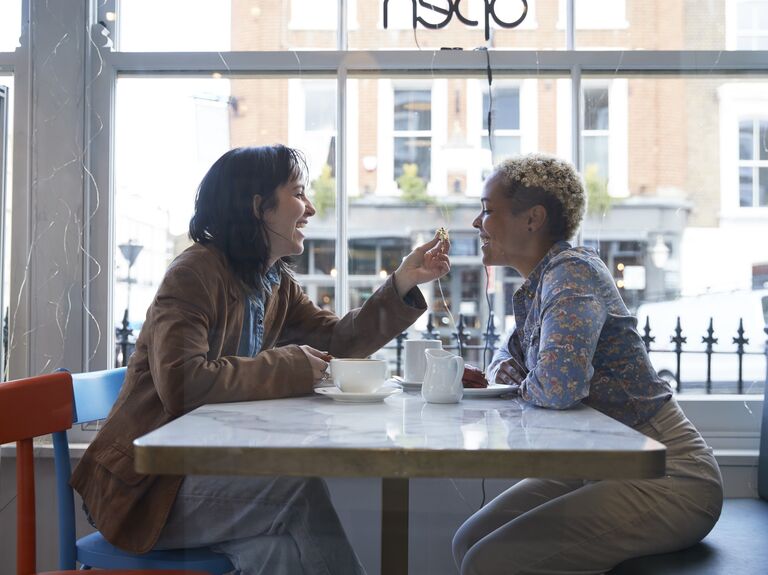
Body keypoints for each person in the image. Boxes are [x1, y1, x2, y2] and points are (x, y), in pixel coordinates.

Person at [71, 145, 450, 575]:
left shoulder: (273, 281)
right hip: (144, 491)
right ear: (258, 208)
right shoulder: (194, 272)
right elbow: (182, 384)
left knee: (280, 555)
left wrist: (401, 280)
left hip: (195, 473)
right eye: (298, 193)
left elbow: (338, 341)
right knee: (296, 493)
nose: (309, 208)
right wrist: (289, 366)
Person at [452, 153, 723, 575]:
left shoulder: (573, 274)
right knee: (467, 541)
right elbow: (506, 359)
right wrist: (520, 371)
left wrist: (527, 377)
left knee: (487, 562)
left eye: (487, 211)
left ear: (532, 218)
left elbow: (558, 388)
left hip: (671, 474)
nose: (475, 223)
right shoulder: (539, 284)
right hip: (601, 463)